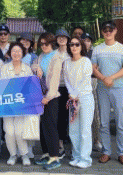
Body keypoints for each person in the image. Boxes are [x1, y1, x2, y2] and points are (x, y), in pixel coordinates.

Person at [91, 20, 123, 165]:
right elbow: (93, 68)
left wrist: (111, 78)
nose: (108, 32)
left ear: (115, 31)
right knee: (103, 122)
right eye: (105, 30)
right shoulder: (97, 49)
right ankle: (106, 151)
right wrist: (103, 78)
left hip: (118, 88)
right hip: (102, 89)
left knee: (120, 122)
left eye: (110, 30)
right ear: (102, 32)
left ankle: (122, 153)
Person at [33, 32, 66, 170]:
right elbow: (33, 66)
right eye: (41, 44)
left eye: (46, 43)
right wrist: (37, 68)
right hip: (41, 96)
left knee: (51, 126)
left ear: (52, 43)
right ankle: (46, 153)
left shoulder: (57, 57)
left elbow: (55, 80)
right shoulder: (40, 56)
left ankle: (55, 156)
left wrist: (48, 97)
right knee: (43, 126)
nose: (44, 46)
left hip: (51, 98)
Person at [0, 42, 33, 166]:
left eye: (19, 51)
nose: (16, 53)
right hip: (8, 106)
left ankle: (24, 155)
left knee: (19, 132)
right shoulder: (4, 68)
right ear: (10, 53)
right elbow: (1, 86)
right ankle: (13, 155)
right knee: (9, 132)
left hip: (22, 107)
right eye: (14, 51)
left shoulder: (27, 68)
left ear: (23, 53)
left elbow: (30, 88)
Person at [63, 36, 94, 169]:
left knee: (85, 130)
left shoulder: (86, 61)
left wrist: (75, 94)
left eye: (77, 44)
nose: (74, 47)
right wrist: (71, 94)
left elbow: (85, 80)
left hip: (85, 98)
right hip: (72, 99)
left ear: (81, 46)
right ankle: (76, 156)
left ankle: (85, 159)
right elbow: (66, 79)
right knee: (73, 130)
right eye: (72, 44)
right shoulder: (66, 62)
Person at [54, 28, 71, 155]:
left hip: (69, 88)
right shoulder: (52, 54)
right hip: (55, 87)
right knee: (58, 116)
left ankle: (70, 142)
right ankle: (59, 144)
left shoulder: (71, 53)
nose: (61, 39)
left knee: (68, 116)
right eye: (59, 37)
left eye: (64, 37)